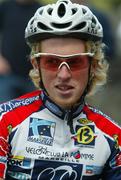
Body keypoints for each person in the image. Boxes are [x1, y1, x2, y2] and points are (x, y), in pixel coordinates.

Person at [0, 0, 121, 179]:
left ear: (93, 66)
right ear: (36, 65)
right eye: (51, 62)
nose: (63, 74)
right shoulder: (4, 123)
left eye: (75, 62)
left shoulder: (114, 138)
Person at [0, 0, 42, 103]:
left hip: (33, 76)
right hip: (7, 74)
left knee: (32, 113)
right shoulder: (5, 7)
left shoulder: (41, 11)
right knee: (6, 113)